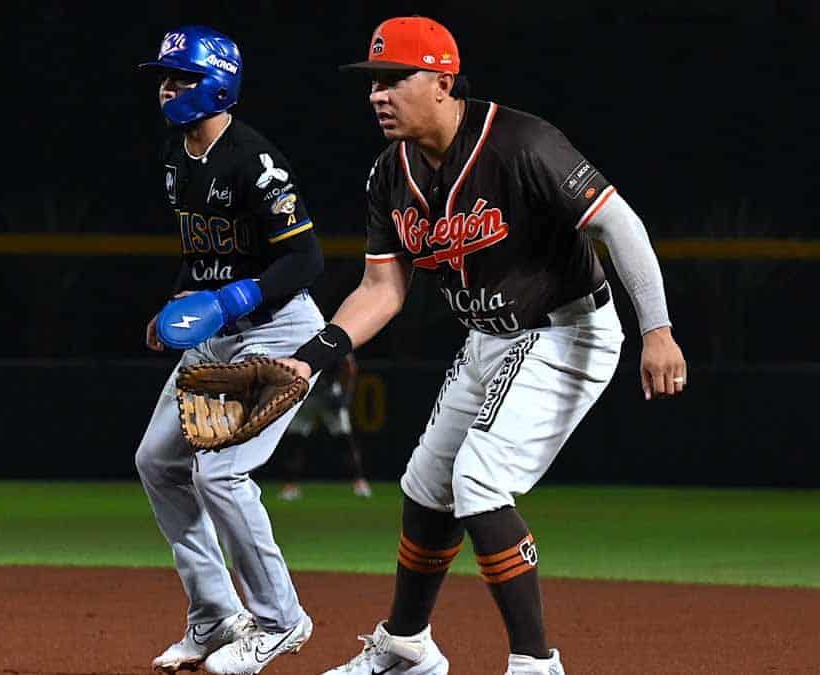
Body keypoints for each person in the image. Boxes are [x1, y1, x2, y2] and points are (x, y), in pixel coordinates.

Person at [278, 16, 688, 675]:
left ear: (442, 83)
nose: (377, 94)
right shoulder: (390, 174)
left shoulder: (519, 141)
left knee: (478, 480)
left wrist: (658, 327)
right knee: (426, 485)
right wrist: (311, 356)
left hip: (566, 328)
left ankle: (536, 662)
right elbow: (382, 287)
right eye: (372, 82)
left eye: (393, 79)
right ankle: (407, 645)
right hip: (490, 338)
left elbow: (619, 221)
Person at [133, 25, 323, 675]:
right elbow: (201, 256)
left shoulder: (255, 160)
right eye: (164, 74)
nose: (166, 86)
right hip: (218, 331)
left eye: (180, 76)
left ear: (217, 85)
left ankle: (279, 618)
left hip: (276, 331)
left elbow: (306, 258)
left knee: (221, 473)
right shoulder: (174, 159)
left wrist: (232, 300)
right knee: (157, 459)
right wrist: (177, 306)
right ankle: (215, 613)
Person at [277, 353, 372, 501]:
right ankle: (291, 486)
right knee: (294, 440)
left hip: (329, 394)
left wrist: (346, 395)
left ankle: (359, 481)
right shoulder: (304, 338)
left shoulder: (333, 338)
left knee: (344, 440)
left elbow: (350, 366)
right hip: (307, 394)